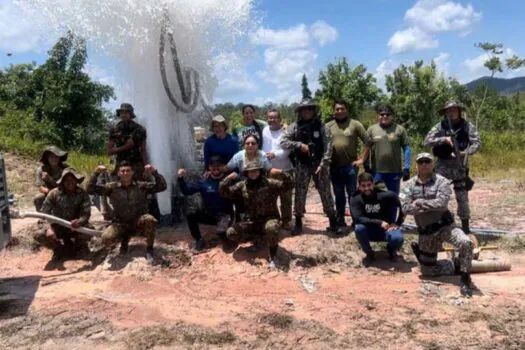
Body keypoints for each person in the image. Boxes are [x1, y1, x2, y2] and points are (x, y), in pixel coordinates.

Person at [400, 153, 474, 296]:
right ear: (416, 165)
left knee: (466, 243)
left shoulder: (442, 182)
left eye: (427, 161)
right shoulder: (408, 185)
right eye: (420, 161)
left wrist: (419, 203)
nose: (424, 164)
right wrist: (428, 204)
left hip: (446, 227)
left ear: (433, 164)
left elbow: (442, 203)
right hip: (427, 232)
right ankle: (456, 264)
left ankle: (465, 278)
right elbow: (405, 208)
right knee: (428, 271)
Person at [281, 98, 342, 235]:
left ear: (313, 110)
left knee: (326, 193)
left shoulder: (322, 126)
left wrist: (324, 164)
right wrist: (298, 145)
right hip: (302, 165)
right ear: (300, 111)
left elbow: (328, 147)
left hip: (320, 165)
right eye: (304, 109)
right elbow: (283, 141)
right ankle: (298, 223)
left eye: (309, 108)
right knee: (300, 194)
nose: (307, 111)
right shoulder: (294, 126)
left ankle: (333, 222)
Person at [86, 161, 167, 262]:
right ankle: (124, 238)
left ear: (132, 172)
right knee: (106, 238)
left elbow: (162, 186)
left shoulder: (141, 186)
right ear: (119, 173)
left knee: (150, 220)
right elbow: (90, 189)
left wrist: (154, 172)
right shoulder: (112, 188)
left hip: (138, 221)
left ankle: (149, 248)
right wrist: (96, 173)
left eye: (128, 170)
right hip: (120, 223)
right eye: (122, 171)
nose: (125, 173)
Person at [219, 160, 293, 268]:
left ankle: (273, 257)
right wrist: (228, 178)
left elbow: (289, 185)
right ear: (246, 173)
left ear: (260, 172)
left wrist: (282, 173)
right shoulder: (242, 185)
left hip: (270, 219)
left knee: (271, 228)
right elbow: (224, 192)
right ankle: (258, 240)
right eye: (250, 171)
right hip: (253, 221)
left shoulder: (270, 183)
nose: (253, 174)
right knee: (231, 233)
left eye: (256, 171)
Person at [424, 101, 481, 234]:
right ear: (445, 113)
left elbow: (477, 143)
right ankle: (439, 224)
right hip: (442, 166)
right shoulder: (440, 126)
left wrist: (463, 153)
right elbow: (427, 140)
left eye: (454, 110)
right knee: (438, 195)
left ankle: (465, 228)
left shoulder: (467, 126)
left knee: (462, 198)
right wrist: (444, 139)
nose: (451, 113)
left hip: (460, 166)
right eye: (449, 111)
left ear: (459, 111)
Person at [325, 100, 369, 228]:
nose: (340, 111)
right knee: (338, 195)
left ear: (347, 110)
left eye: (342, 109)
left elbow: (367, 141)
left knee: (352, 195)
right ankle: (340, 220)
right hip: (334, 167)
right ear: (334, 110)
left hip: (351, 166)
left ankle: (356, 220)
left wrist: (362, 159)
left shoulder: (355, 124)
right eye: (337, 109)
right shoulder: (328, 126)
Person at [177, 156, 235, 252]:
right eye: (213, 166)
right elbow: (186, 191)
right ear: (209, 167)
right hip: (210, 215)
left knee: (221, 232)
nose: (215, 169)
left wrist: (236, 175)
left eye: (218, 166)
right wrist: (180, 178)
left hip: (225, 215)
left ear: (223, 166)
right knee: (191, 215)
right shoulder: (204, 182)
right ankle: (199, 240)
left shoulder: (229, 180)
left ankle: (229, 241)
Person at [34, 168, 92, 262]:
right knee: (39, 235)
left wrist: (80, 221)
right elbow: (43, 214)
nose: (70, 182)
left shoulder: (82, 193)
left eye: (72, 179)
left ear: (76, 181)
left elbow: (86, 214)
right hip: (58, 227)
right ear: (62, 181)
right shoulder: (54, 193)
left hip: (75, 227)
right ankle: (58, 249)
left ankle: (79, 247)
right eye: (67, 180)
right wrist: (48, 228)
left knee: (90, 230)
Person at [350, 172, 405, 266]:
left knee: (398, 237)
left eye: (369, 185)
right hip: (368, 231)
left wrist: (398, 223)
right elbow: (358, 219)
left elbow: (403, 206)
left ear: (373, 184)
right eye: (363, 186)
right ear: (359, 187)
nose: (366, 188)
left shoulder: (385, 195)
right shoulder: (355, 198)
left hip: (386, 229)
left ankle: (391, 251)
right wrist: (379, 222)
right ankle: (369, 254)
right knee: (358, 228)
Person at [366, 104, 411, 194]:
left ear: (392, 116)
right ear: (378, 116)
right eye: (382, 114)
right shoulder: (371, 129)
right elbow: (366, 149)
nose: (384, 116)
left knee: (392, 198)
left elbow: (407, 148)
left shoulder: (400, 129)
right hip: (377, 172)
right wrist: (366, 166)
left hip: (394, 171)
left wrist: (407, 167)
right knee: (376, 198)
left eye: (388, 114)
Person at [262, 109, 294, 230]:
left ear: (280, 119)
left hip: (285, 169)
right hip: (269, 170)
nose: (272, 120)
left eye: (274, 117)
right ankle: (273, 220)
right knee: (270, 198)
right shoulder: (264, 130)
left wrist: (274, 154)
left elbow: (288, 150)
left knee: (286, 197)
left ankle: (286, 221)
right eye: (269, 117)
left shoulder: (285, 132)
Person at [106, 103, 148, 180]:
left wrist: (146, 166)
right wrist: (125, 147)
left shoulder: (140, 129)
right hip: (121, 164)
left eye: (126, 112)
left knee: (139, 188)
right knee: (117, 187)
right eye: (122, 112)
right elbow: (109, 151)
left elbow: (143, 150)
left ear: (131, 114)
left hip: (136, 164)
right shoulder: (115, 129)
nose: (124, 115)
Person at [33, 146, 69, 212]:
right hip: (49, 193)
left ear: (59, 157)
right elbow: (40, 187)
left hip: (65, 193)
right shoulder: (41, 170)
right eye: (51, 157)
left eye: (56, 156)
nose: (54, 159)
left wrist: (50, 180)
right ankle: (43, 216)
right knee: (38, 198)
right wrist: (50, 192)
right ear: (47, 158)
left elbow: (68, 186)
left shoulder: (65, 169)